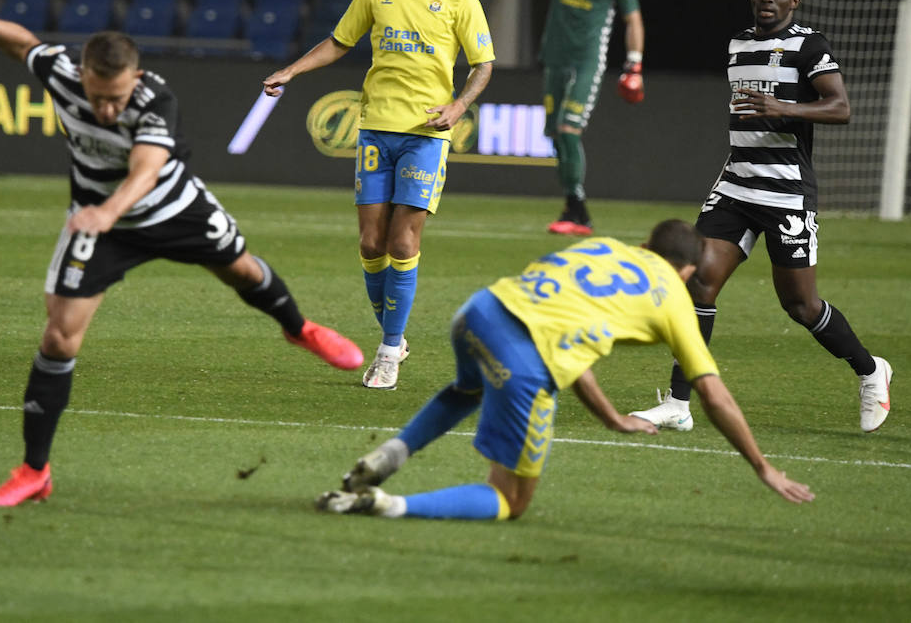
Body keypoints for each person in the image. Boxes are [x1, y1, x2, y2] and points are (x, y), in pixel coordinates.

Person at [0, 0, 364, 507]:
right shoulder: (62, 73)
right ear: (81, 74)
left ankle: (299, 328)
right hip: (103, 227)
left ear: (137, 78)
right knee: (59, 337)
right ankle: (35, 471)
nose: (108, 109)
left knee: (241, 270)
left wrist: (106, 212)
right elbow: (22, 44)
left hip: (172, 209)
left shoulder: (155, 100)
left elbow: (146, 171)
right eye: (99, 97)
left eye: (118, 98)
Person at [315, 220, 815, 521]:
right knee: (510, 499)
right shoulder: (675, 301)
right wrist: (762, 466)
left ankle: (390, 453)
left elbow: (567, 347)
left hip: (479, 310)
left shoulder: (602, 246)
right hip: (525, 356)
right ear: (688, 270)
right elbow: (713, 396)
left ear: (646, 245)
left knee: (469, 386)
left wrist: (611, 417)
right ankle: (388, 505)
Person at [629, 0, 893, 435]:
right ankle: (678, 404)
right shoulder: (738, 44)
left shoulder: (809, 46)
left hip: (786, 190)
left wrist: (782, 107)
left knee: (801, 306)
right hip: (736, 184)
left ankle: (871, 370)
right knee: (698, 283)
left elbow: (841, 107)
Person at [262, 0, 495, 391]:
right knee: (371, 244)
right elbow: (340, 41)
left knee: (402, 242)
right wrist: (292, 70)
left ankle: (388, 351)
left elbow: (483, 63)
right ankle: (395, 335)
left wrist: (458, 106)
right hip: (375, 129)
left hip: (426, 133)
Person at [506, 0, 645, 236]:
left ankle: (578, 210)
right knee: (557, 135)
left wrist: (634, 64)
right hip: (555, 61)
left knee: (569, 129)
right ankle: (573, 207)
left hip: (586, 64)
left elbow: (634, 20)